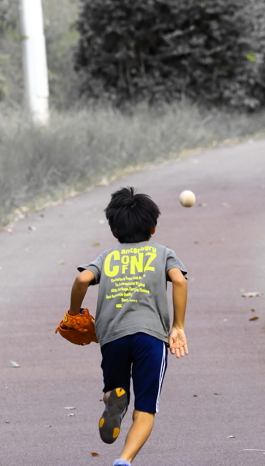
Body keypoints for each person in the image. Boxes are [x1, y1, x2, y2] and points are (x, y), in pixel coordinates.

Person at [68, 187, 189, 466]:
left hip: (113, 336)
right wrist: (178, 326)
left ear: (114, 231)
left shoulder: (107, 257)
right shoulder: (163, 253)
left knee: (113, 389)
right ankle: (123, 461)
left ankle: (114, 398)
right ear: (153, 227)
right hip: (150, 336)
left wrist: (74, 313)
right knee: (145, 409)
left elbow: (82, 280)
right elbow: (180, 281)